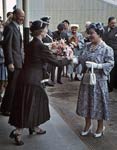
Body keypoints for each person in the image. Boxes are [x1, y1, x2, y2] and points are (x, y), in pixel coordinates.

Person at [8, 20, 68, 146]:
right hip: (33, 80)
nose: (47, 30)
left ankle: (34, 126)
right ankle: (18, 131)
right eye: (46, 28)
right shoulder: (40, 46)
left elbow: (41, 54)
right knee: (30, 104)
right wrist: (70, 59)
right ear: (41, 32)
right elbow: (56, 62)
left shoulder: (31, 43)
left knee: (32, 102)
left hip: (25, 77)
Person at [76, 23, 114, 138]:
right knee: (86, 102)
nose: (90, 35)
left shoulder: (107, 49)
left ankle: (100, 126)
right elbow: (81, 58)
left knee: (99, 104)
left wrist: (98, 66)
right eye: (89, 33)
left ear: (99, 34)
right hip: (87, 79)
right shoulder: (87, 46)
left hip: (99, 81)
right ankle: (87, 124)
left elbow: (111, 63)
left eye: (92, 33)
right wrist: (74, 59)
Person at [0, 8, 25, 116]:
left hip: (17, 61)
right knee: (11, 86)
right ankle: (6, 109)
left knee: (13, 86)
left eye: (23, 17)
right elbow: (7, 46)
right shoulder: (10, 28)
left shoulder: (16, 27)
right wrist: (10, 62)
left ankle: (7, 107)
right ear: (14, 15)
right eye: (20, 16)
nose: (22, 19)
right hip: (13, 63)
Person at [103, 17, 117, 92]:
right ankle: (106, 85)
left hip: (115, 52)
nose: (114, 24)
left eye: (115, 23)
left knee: (113, 70)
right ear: (108, 23)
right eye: (112, 23)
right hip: (105, 52)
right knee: (105, 69)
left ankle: (111, 86)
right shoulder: (104, 29)